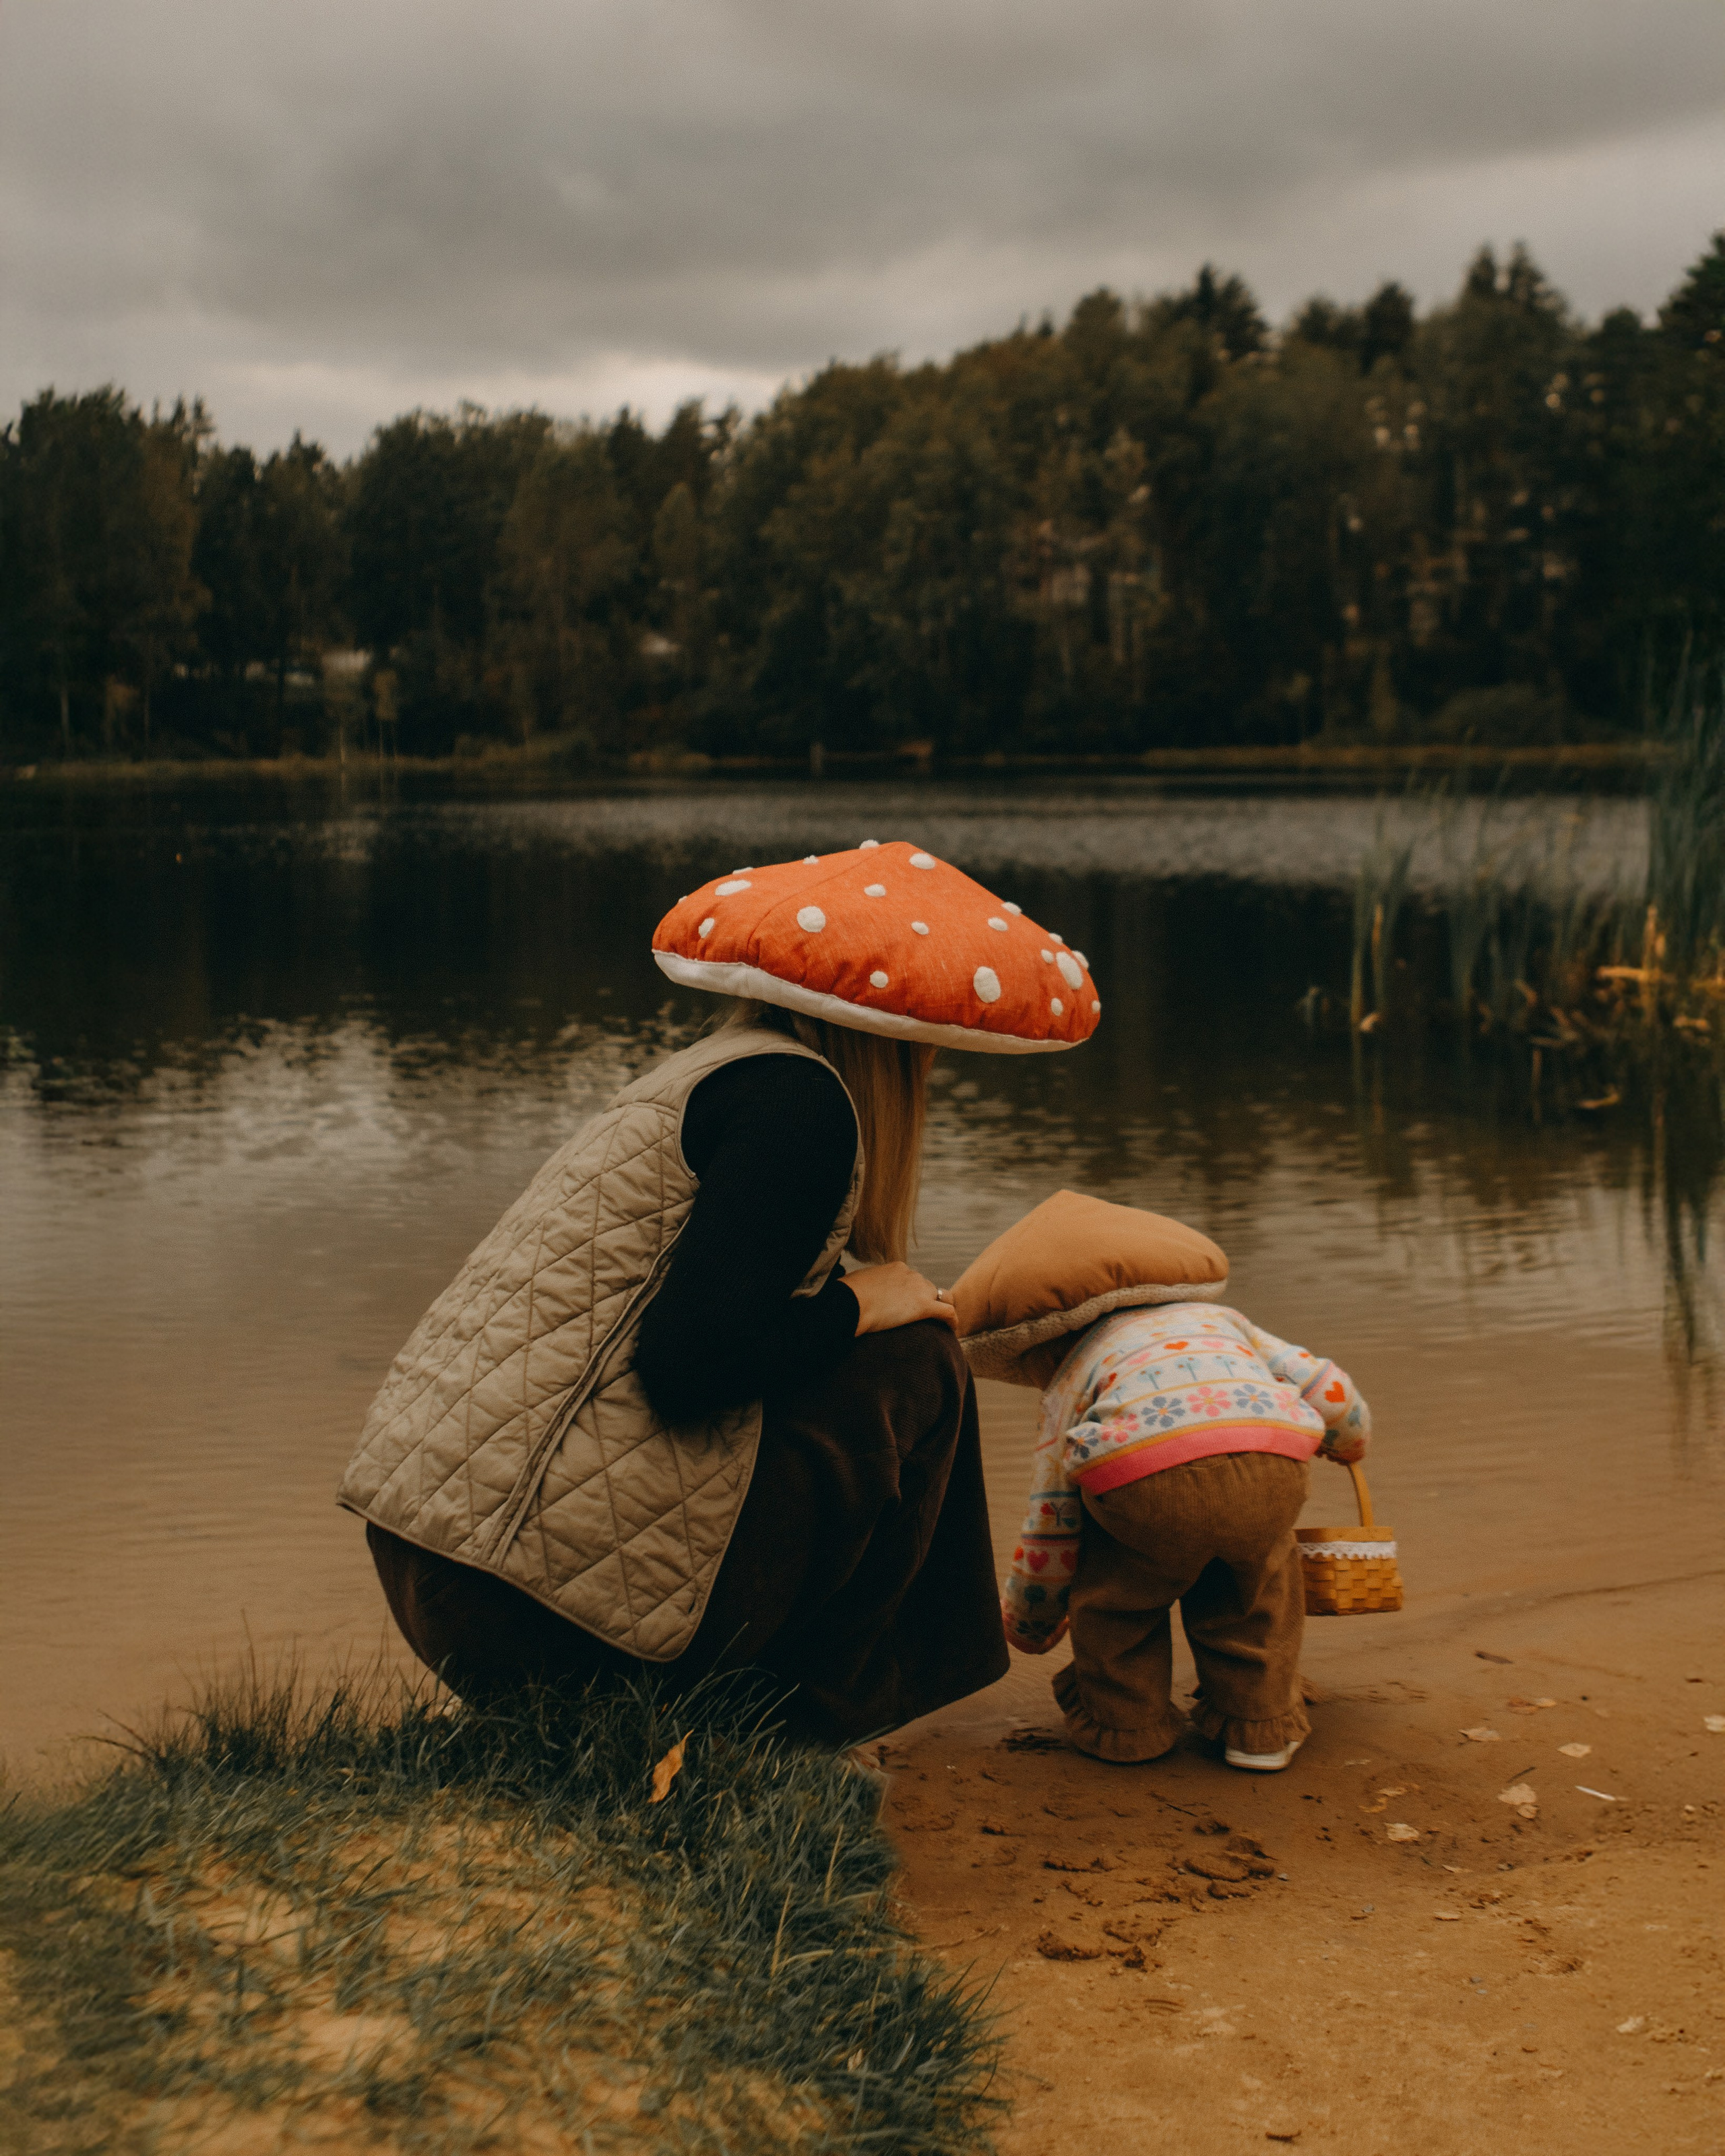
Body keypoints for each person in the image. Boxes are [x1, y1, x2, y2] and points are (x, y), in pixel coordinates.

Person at [340, 841, 1101, 1743]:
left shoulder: (710, 1072)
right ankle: (793, 1726)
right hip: (527, 1613)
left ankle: (775, 1695)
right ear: (905, 1041)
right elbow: (686, 1366)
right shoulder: (802, 1108)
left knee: (869, 1339)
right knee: (918, 1359)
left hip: (443, 1564)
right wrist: (862, 1307)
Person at [951, 1190, 1369, 1772]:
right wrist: (1348, 1439)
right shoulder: (1224, 1321)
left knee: (1117, 1597)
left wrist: (1029, 1616)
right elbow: (1329, 1390)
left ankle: (1127, 1728)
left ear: (1041, 1344)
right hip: (1270, 1457)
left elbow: (1052, 1516)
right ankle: (1260, 1729)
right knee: (1257, 1584)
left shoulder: (1074, 1375)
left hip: (1143, 1484)